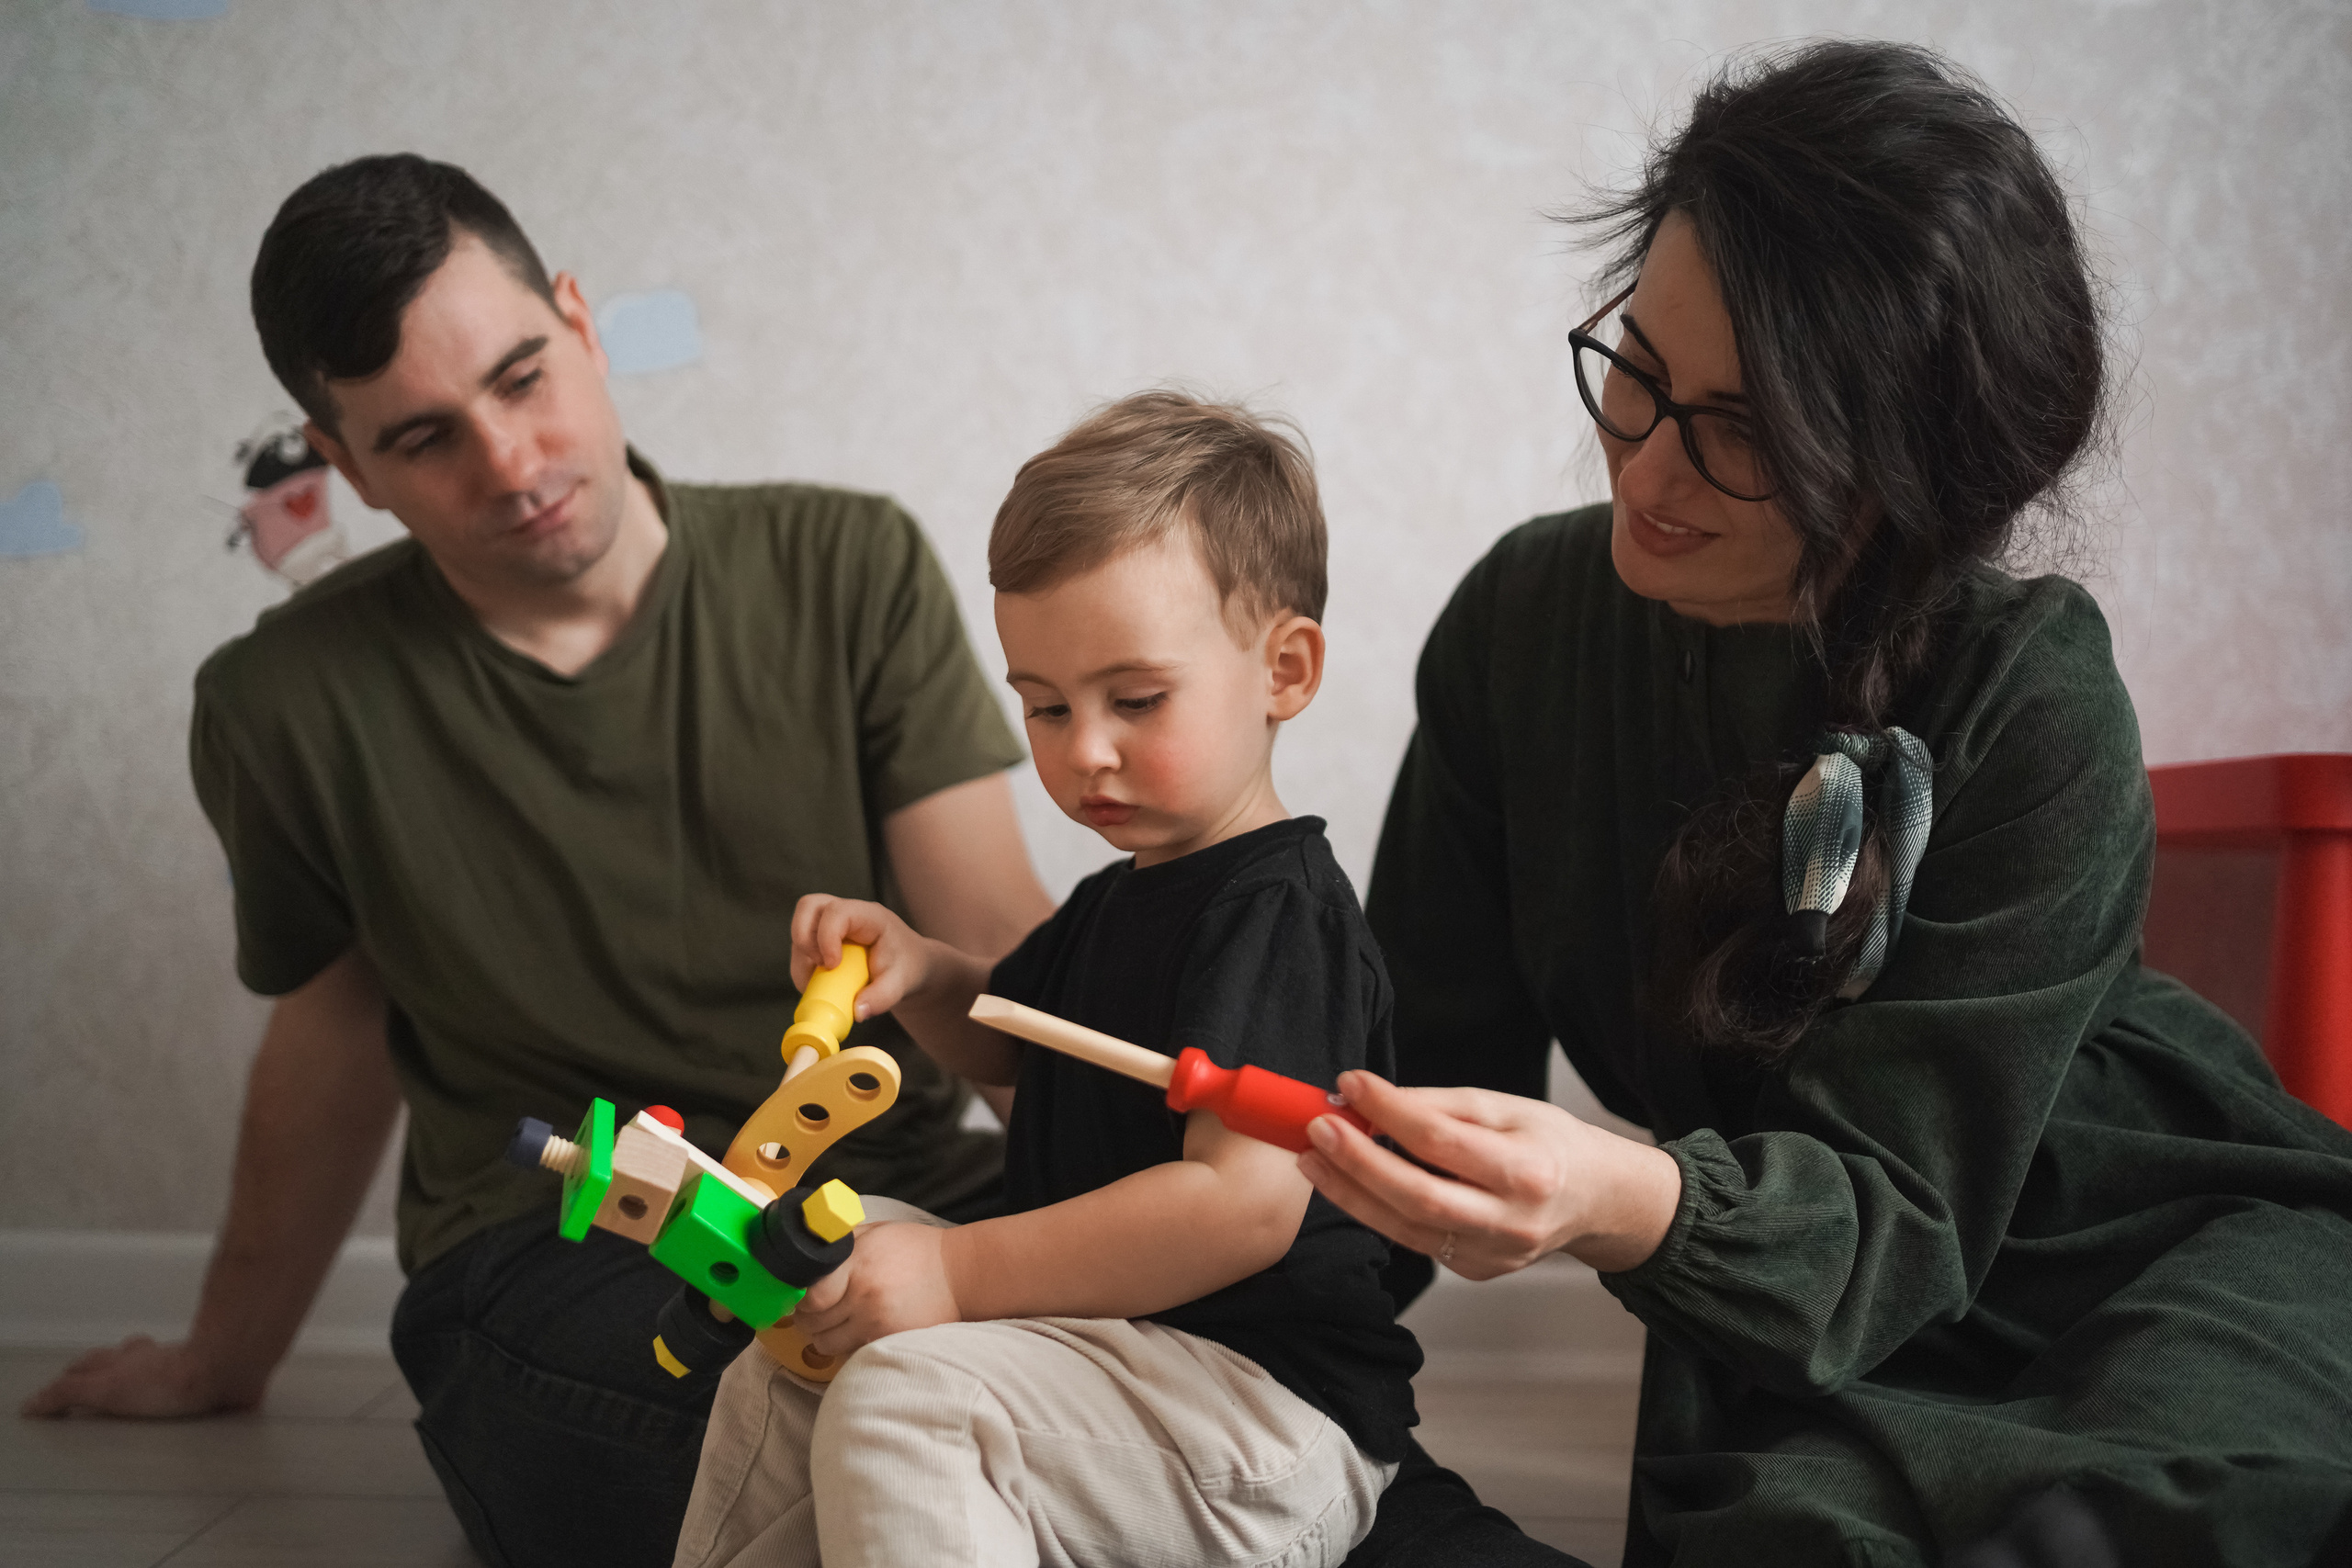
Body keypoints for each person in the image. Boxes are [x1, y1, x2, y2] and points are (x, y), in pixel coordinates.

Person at [1296, 40, 2352, 1568]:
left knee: (2198, 1511)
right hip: (1789, 1312)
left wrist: (1628, 1201)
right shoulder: (1522, 627)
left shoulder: (2033, 693)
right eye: (1637, 372)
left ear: (1906, 469)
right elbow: (1393, 1096)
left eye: (1739, 432)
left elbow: (1902, 1214)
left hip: (2156, 1257)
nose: (1647, 468)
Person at [19, 154, 1055, 1568]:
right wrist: (223, 1351)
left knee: (1294, 1281)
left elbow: (1003, 940)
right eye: (425, 437)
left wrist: (1206, 1177)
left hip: (904, 1193)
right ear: (344, 467)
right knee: (710, 1434)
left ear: (579, 318)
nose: (511, 465)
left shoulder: (846, 562)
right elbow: (332, 1035)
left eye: (522, 377)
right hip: (558, 1242)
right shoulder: (280, 704)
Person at [672, 391, 1423, 1568]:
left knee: (911, 1394)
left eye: (1135, 700)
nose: (1085, 750)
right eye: (1045, 708)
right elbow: (1018, 1041)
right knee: (808, 1308)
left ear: (1283, 669)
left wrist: (963, 1272)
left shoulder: (1279, 913)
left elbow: (1240, 1206)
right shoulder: (1119, 894)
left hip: (1265, 1416)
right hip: (1110, 1360)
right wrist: (918, 973)